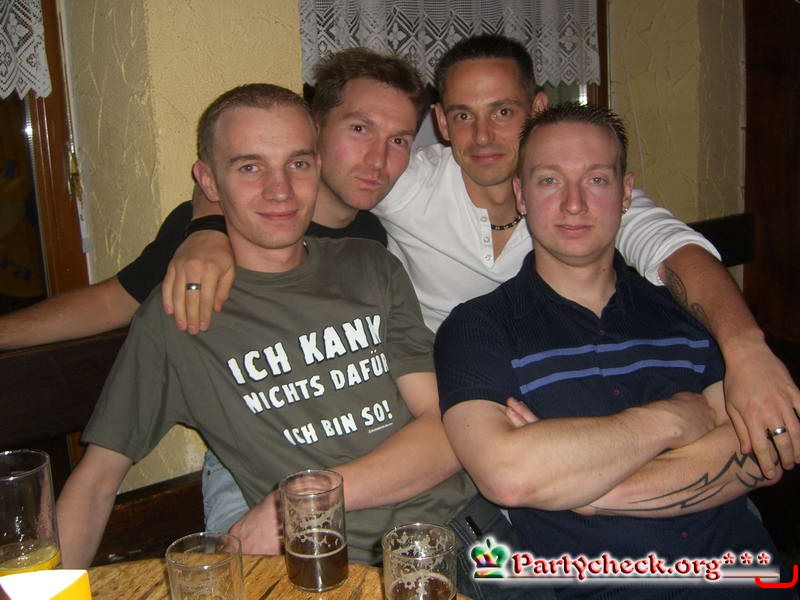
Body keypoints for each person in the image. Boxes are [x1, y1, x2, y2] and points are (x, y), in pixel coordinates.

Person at [55, 83, 475, 572]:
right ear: (209, 183)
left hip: (465, 533)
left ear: (318, 166)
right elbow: (96, 484)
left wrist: (307, 499)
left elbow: (445, 430)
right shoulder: (179, 317)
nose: (280, 191)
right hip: (342, 567)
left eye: (298, 164)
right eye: (250, 168)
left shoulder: (370, 265)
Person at [434, 102, 790, 598]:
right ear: (520, 195)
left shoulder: (689, 309)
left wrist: (588, 489)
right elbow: (510, 476)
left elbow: (761, 450)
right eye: (549, 180)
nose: (574, 203)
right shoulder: (478, 328)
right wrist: (674, 418)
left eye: (597, 180)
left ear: (625, 194)